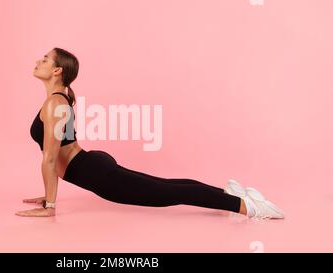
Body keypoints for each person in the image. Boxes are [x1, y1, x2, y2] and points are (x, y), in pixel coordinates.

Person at [15, 47, 285, 220]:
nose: (38, 61)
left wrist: (50, 205)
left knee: (168, 193)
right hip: (91, 164)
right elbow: (57, 154)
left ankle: (249, 207)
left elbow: (51, 159)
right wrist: (49, 192)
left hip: (96, 173)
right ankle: (230, 193)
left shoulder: (55, 103)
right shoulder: (59, 100)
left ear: (57, 70)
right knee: (167, 185)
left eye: (45, 59)